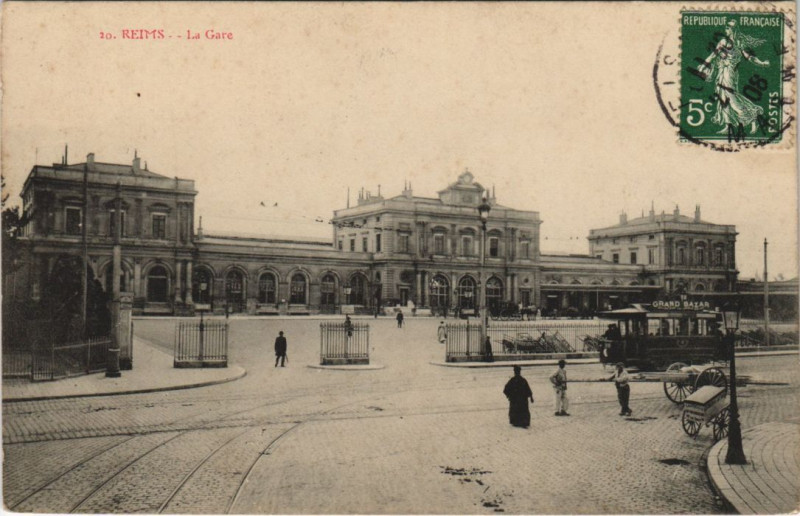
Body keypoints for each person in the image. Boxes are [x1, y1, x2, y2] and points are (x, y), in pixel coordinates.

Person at [696, 20, 770, 134]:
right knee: (723, 98)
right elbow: (713, 55)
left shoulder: (739, 42)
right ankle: (728, 126)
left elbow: (749, 57)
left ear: (734, 29)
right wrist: (703, 66)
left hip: (730, 73)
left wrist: (762, 63)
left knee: (732, 98)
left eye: (728, 27)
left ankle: (752, 118)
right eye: (726, 27)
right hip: (722, 71)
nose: (726, 29)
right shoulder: (723, 41)